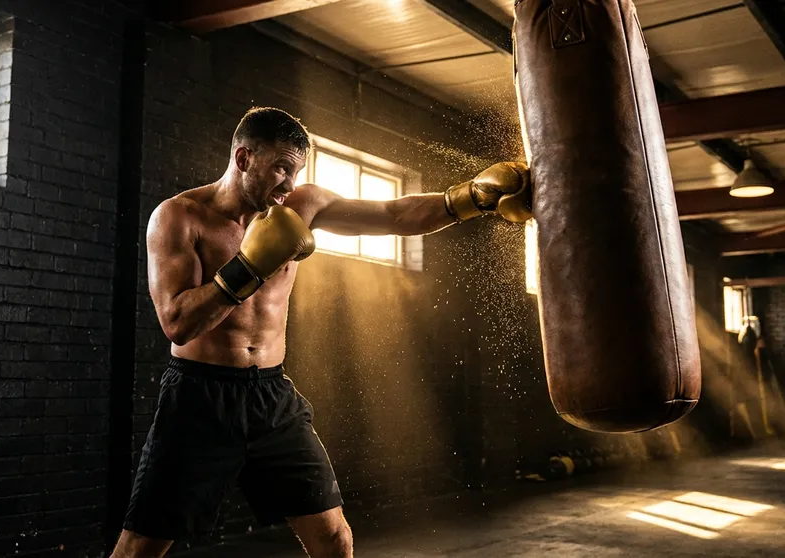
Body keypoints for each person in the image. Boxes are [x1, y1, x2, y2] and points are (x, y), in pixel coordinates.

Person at [110, 107, 531, 558]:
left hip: (271, 397)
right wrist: (249, 267)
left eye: (295, 172)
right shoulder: (180, 216)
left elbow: (393, 214)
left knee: (334, 539)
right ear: (244, 157)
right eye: (281, 168)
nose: (289, 184)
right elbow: (177, 323)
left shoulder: (300, 205)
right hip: (199, 398)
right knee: (141, 549)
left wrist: (468, 198)